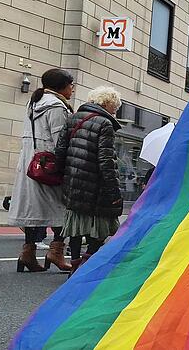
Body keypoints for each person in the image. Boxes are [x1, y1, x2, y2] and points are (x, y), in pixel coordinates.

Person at [8, 68, 75, 272]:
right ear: (61, 87)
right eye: (70, 85)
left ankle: (27, 252)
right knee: (62, 207)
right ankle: (56, 251)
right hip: (50, 163)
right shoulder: (56, 106)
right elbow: (60, 140)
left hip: (31, 161)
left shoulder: (34, 103)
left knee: (33, 207)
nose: (72, 89)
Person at [55, 86, 123, 275]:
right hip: (96, 183)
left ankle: (75, 263)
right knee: (102, 224)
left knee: (76, 224)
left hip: (73, 180)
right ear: (107, 103)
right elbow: (106, 160)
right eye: (115, 107)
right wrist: (114, 192)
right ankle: (87, 259)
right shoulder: (105, 123)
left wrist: (64, 175)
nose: (115, 111)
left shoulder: (73, 118)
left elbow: (60, 150)